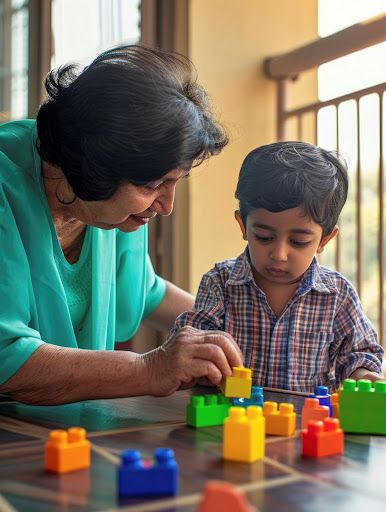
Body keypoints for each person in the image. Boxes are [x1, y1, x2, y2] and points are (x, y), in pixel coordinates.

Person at [0, 45, 243, 405]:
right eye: (151, 186)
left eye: (176, 182)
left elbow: (144, 291)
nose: (166, 205)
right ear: (94, 168)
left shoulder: (114, 213)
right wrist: (150, 368)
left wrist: (238, 328)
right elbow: (6, 358)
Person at [169, 142, 384, 392]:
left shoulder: (338, 294)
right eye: (264, 237)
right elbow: (192, 342)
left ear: (325, 239)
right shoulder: (220, 282)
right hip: (231, 421)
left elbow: (358, 355)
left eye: (299, 242)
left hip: (306, 424)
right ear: (243, 226)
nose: (279, 254)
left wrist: (365, 377)